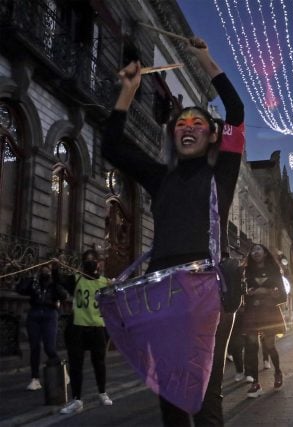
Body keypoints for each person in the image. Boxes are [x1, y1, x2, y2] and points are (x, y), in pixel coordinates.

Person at [103, 35, 244, 426]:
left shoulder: (223, 174)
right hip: (161, 293)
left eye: (198, 123)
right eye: (180, 123)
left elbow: (236, 110)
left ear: (211, 134)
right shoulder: (160, 178)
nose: (187, 127)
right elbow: (112, 146)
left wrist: (206, 60)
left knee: (205, 399)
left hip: (205, 292)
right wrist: (128, 91)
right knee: (172, 401)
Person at [57, 249, 113, 414]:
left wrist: (114, 285)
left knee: (99, 363)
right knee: (76, 364)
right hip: (78, 327)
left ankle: (102, 393)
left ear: (98, 263)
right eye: (86, 260)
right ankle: (77, 399)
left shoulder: (104, 282)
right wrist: (54, 267)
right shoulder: (76, 279)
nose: (89, 263)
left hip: (97, 328)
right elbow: (58, 280)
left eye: (92, 260)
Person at [242, 244, 287, 398]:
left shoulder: (274, 271)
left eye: (258, 249)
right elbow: (242, 293)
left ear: (265, 253)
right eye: (253, 250)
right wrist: (248, 293)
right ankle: (255, 383)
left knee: (269, 346)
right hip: (252, 312)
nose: (255, 252)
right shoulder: (246, 272)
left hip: (269, 313)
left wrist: (266, 291)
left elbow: (283, 296)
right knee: (252, 346)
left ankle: (278, 372)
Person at [16, 263, 68, 391]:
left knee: (49, 347)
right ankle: (35, 379)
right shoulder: (34, 283)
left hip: (50, 315)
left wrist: (55, 281)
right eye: (42, 270)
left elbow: (64, 295)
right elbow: (20, 289)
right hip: (34, 314)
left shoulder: (54, 284)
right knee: (34, 347)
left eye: (47, 270)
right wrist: (28, 278)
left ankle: (62, 371)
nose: (45, 272)